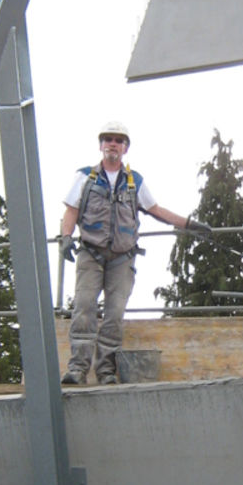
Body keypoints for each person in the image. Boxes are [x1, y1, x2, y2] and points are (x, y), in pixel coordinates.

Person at [60, 121, 210, 385]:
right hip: (90, 254)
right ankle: (77, 369)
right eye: (108, 139)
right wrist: (65, 238)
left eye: (118, 141)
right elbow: (71, 210)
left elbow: (156, 210)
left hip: (122, 258)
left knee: (115, 313)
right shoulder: (85, 177)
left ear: (125, 148)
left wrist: (190, 225)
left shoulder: (134, 181)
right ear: (101, 145)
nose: (113, 144)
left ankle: (106, 371)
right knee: (83, 308)